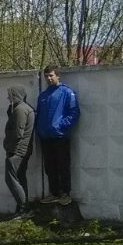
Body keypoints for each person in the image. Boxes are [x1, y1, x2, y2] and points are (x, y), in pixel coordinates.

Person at [35, 65, 80, 205]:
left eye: (51, 75)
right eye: (46, 76)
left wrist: (61, 126)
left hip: (60, 136)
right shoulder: (42, 96)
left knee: (63, 166)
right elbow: (39, 115)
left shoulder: (67, 92)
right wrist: (39, 129)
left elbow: (74, 113)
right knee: (49, 167)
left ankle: (65, 194)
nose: (48, 78)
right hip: (45, 137)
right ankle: (53, 193)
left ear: (58, 76)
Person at [3, 86, 35, 217]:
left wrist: (8, 146)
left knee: (11, 179)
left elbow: (17, 133)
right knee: (20, 178)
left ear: (15, 95)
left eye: (10, 95)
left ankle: (23, 208)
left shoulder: (20, 110)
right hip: (23, 149)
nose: (8, 98)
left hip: (17, 150)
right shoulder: (25, 108)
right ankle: (22, 208)